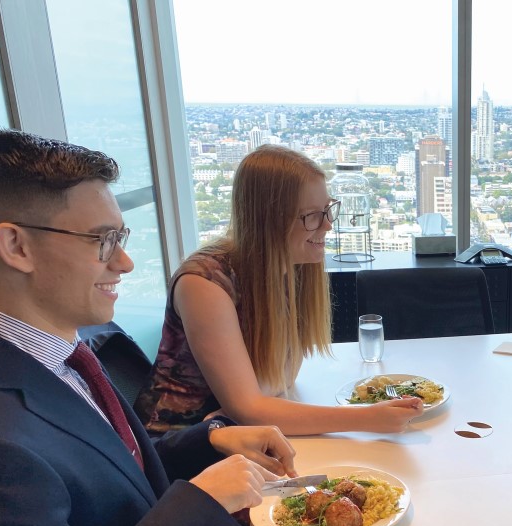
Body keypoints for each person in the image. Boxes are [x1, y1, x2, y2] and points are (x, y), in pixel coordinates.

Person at [0, 127, 299, 526]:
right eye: (102, 240)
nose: (124, 263)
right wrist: (199, 505)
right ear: (16, 247)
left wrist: (211, 440)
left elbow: (107, 475)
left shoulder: (56, 346)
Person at [135, 145, 422, 436]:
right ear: (268, 219)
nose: (327, 225)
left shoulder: (287, 266)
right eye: (311, 215)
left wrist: (248, 408)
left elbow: (277, 382)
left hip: (237, 436)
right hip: (176, 444)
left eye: (327, 209)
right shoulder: (204, 283)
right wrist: (367, 418)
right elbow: (251, 408)